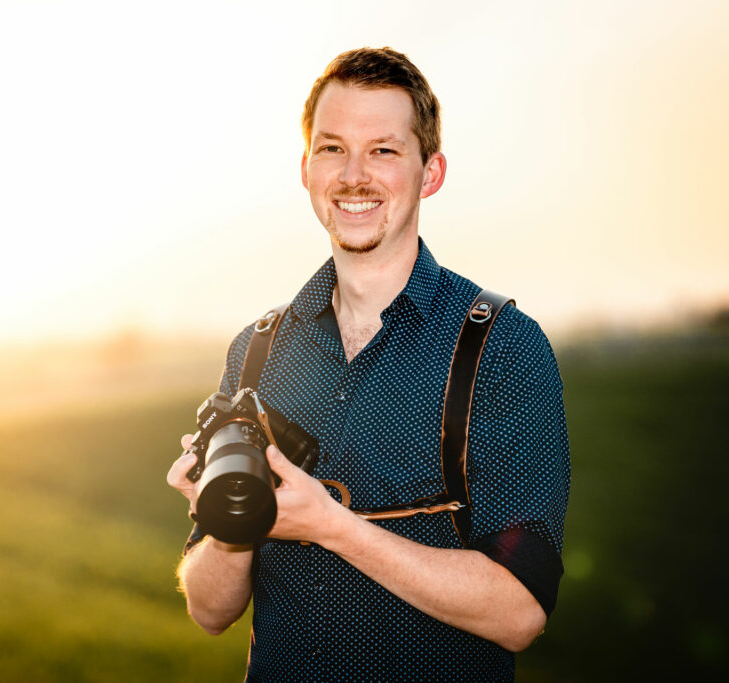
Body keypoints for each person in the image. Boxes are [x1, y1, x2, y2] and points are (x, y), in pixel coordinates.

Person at [166, 46, 570, 682]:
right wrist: (229, 525)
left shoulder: (504, 349)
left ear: (430, 172)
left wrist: (331, 525)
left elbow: (520, 610)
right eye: (332, 149)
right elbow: (212, 611)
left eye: (383, 150)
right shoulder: (256, 349)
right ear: (305, 169)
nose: (354, 174)